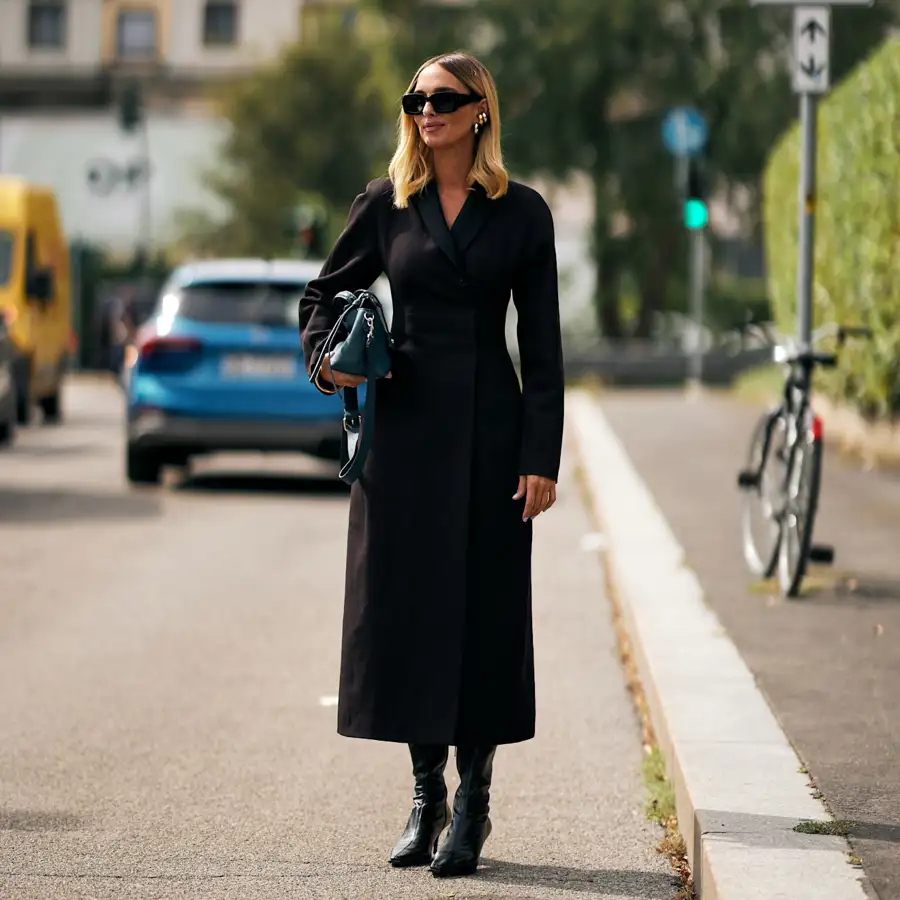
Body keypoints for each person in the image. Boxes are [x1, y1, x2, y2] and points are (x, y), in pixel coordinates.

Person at [298, 51, 564, 878]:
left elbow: (545, 349)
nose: (427, 110)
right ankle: (426, 795)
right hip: (404, 437)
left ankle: (475, 800)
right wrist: (326, 362)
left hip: (491, 429)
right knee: (407, 615)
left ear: (480, 110)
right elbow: (318, 297)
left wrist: (540, 456)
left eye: (444, 98)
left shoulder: (522, 213)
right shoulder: (387, 203)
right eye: (416, 99)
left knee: (483, 615)